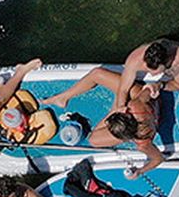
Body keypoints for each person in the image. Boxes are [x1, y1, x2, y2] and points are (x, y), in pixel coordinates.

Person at [38, 67, 166, 177]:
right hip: (147, 107)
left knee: (94, 140)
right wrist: (155, 86)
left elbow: (158, 158)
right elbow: (148, 89)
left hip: (144, 117)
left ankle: (113, 110)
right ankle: (62, 98)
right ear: (126, 114)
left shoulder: (143, 143)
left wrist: (140, 171)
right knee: (97, 74)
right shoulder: (136, 106)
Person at [111, 37, 179, 110]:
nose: (152, 75)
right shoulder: (135, 58)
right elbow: (123, 89)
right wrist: (120, 108)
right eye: (147, 69)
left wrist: (160, 85)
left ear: (168, 62)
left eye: (155, 72)